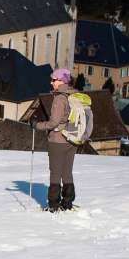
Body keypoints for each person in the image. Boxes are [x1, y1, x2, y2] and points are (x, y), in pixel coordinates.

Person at [35, 68, 78, 212]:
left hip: (58, 140)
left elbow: (53, 123)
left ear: (62, 81)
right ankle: (67, 203)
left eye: (54, 80)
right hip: (72, 139)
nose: (51, 82)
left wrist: (37, 125)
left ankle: (53, 205)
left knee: (55, 172)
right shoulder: (74, 94)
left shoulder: (59, 98)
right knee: (67, 172)